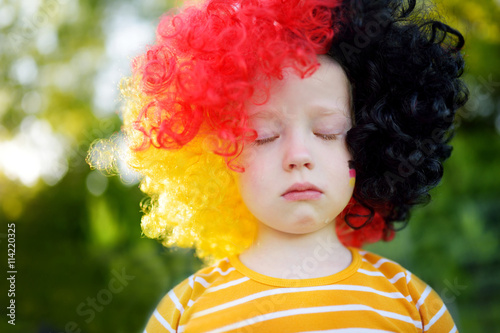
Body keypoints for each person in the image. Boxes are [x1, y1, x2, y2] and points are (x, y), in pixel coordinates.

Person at [90, 0, 468, 331]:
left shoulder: (413, 305)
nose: (298, 154)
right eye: (263, 135)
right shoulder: (185, 312)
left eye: (327, 131)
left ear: (369, 144)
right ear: (218, 155)